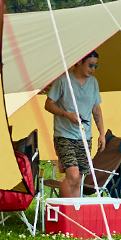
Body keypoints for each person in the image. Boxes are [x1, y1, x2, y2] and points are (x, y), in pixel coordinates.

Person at [43, 51, 104, 199]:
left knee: (79, 180)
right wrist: (67, 114)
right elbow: (48, 105)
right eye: (90, 65)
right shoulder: (63, 81)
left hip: (85, 137)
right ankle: (66, 214)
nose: (93, 68)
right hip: (64, 135)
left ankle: (73, 214)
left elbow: (96, 109)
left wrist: (101, 133)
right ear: (78, 62)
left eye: (96, 65)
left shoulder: (93, 82)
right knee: (73, 175)